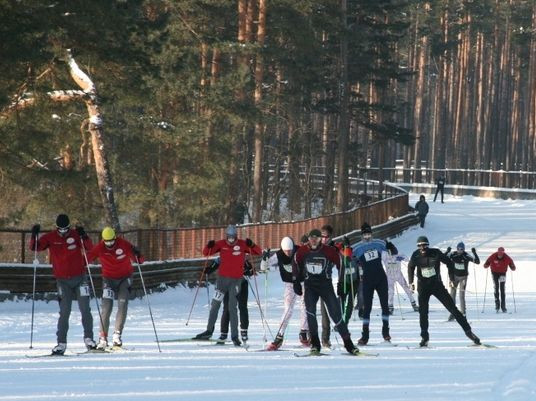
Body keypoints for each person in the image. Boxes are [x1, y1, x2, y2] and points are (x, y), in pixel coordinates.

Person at [29, 214, 96, 355]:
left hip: (80, 278)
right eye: (60, 229)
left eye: (66, 229)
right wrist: (34, 234)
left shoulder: (75, 235)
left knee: (85, 309)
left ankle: (89, 339)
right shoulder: (51, 237)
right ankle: (61, 343)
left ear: (69, 227)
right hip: (62, 280)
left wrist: (83, 235)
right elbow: (35, 247)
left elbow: (89, 247)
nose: (63, 232)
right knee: (64, 311)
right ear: (56, 227)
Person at [292, 229, 359, 355]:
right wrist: (296, 280)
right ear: (308, 239)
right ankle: (315, 344)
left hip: (325, 285)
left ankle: (349, 344)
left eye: (316, 238)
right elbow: (295, 263)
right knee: (310, 313)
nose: (313, 241)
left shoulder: (328, 251)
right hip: (310, 286)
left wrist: (340, 283)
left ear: (320, 239)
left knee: (336, 314)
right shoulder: (303, 250)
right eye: (311, 238)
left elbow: (341, 264)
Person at [195, 225, 261, 346]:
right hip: (222, 281)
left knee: (232, 308)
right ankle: (209, 331)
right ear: (226, 236)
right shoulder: (221, 244)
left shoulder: (242, 244)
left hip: (236, 281)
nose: (231, 240)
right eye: (229, 238)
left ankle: (235, 336)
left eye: (233, 238)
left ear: (236, 236)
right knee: (215, 305)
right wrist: (208, 246)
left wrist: (252, 244)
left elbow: (258, 251)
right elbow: (206, 253)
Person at [408, 236, 480, 347]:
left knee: (453, 308)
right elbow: (410, 267)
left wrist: (451, 278)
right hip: (423, 287)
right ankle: (424, 337)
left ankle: (469, 332)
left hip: (436, 285)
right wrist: (411, 282)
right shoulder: (415, 255)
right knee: (423, 312)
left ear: (428, 245)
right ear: (418, 246)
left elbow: (449, 263)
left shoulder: (435, 253)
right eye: (420, 245)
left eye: (425, 245)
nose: (423, 248)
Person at [87, 227, 143, 349]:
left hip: (125, 278)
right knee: (106, 307)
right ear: (103, 240)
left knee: (122, 304)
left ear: (115, 238)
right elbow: (87, 258)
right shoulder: (100, 247)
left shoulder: (123, 244)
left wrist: (137, 254)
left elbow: (139, 260)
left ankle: (117, 335)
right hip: (108, 280)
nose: (109, 244)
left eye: (111, 241)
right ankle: (103, 337)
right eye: (107, 241)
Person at [261, 237, 309, 350]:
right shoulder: (279, 255)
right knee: (288, 310)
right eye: (286, 251)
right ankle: (279, 337)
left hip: (302, 283)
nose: (288, 253)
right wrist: (265, 258)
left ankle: (304, 333)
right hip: (289, 285)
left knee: (305, 307)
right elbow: (264, 267)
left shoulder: (299, 251)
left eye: (290, 250)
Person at [351, 222, 390, 345]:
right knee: (367, 308)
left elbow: (390, 248)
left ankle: (386, 333)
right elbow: (348, 257)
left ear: (371, 234)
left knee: (385, 306)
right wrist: (345, 248)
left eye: (369, 234)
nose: (367, 236)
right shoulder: (357, 247)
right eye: (365, 234)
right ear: (361, 235)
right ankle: (365, 336)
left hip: (380, 278)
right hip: (367, 280)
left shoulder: (379, 243)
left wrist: (391, 246)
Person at [206, 257, 252, 342]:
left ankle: (244, 332)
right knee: (226, 308)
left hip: (241, 284)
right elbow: (213, 266)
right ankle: (223, 334)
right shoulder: (222, 257)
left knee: (242, 307)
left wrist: (247, 271)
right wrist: (208, 270)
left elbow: (250, 270)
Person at [445, 242, 480, 320]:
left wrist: (474, 253)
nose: (460, 250)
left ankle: (463, 313)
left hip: (463, 278)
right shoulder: (453, 254)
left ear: (463, 249)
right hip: (454, 278)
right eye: (458, 249)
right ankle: (453, 313)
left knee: (461, 295)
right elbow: (443, 258)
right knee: (452, 295)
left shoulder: (466, 255)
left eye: (461, 249)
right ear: (456, 249)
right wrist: (447, 251)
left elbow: (477, 262)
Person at [382, 241, 418, 314]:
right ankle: (390, 307)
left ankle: (414, 304)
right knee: (390, 292)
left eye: (392, 252)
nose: (391, 254)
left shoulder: (397, 253)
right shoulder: (384, 254)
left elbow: (407, 259)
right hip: (389, 276)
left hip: (399, 275)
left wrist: (401, 258)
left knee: (406, 288)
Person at [483, 247, 516, 313]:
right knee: (496, 287)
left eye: (501, 254)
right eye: (499, 254)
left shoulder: (507, 258)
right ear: (497, 252)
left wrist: (512, 267)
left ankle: (503, 307)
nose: (500, 256)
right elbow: (486, 264)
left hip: (502, 273)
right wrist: (486, 265)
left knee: (502, 289)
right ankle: (497, 306)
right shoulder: (493, 256)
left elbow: (513, 266)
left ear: (503, 253)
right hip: (494, 273)